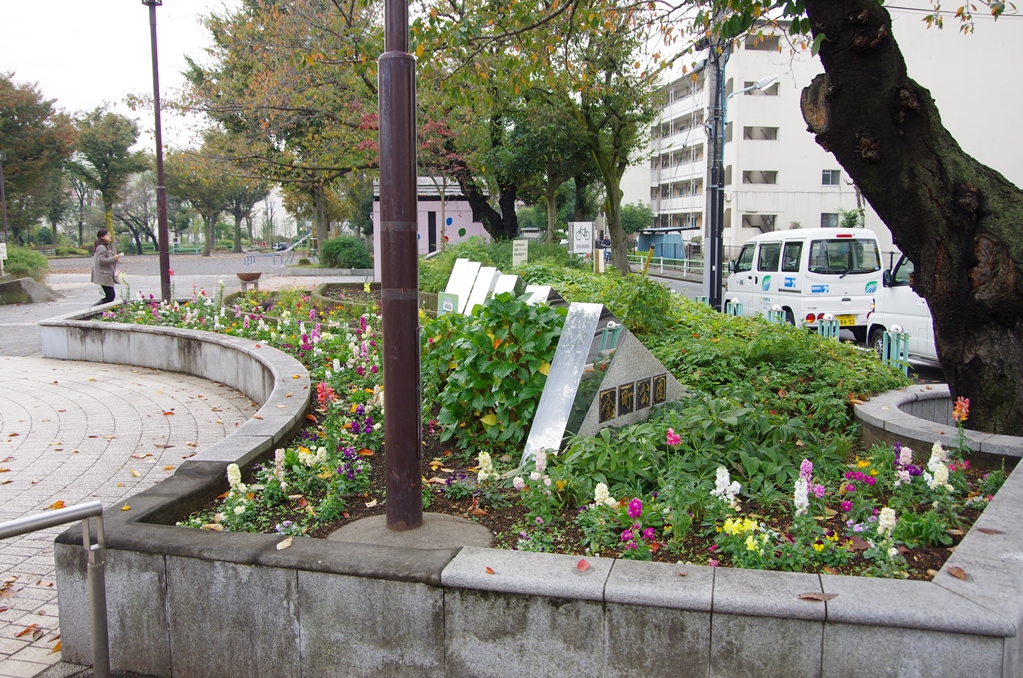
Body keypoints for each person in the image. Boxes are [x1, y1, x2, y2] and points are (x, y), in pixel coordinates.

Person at [91, 229, 122, 305]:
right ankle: (93, 309)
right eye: (108, 235)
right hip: (103, 275)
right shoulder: (101, 247)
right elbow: (101, 260)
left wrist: (115, 258)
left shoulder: (105, 246)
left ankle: (100, 311)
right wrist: (114, 258)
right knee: (110, 296)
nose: (110, 236)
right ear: (102, 237)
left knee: (110, 296)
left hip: (106, 274)